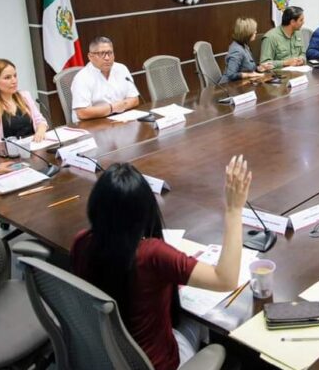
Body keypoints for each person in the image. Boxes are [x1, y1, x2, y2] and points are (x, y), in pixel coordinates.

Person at [72, 155, 251, 370]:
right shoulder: (151, 255)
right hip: (157, 364)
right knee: (204, 323)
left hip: (104, 357)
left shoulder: (82, 242)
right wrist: (234, 210)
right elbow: (226, 279)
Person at [0, 59, 47, 146]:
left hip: (33, 147)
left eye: (15, 75)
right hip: (4, 153)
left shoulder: (25, 96)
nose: (14, 81)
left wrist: (40, 131)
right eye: (7, 77)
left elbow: (40, 121)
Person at [71, 37, 140, 122]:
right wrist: (112, 108)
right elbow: (82, 112)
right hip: (92, 125)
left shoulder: (121, 69)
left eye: (110, 53)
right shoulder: (82, 77)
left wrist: (117, 108)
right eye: (102, 53)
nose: (107, 58)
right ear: (90, 56)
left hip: (119, 120)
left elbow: (135, 99)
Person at [222, 17, 273, 83]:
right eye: (254, 30)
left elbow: (246, 67)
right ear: (247, 33)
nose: (256, 32)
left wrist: (260, 68)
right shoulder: (237, 50)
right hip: (229, 87)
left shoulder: (244, 45)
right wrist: (250, 75)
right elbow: (231, 75)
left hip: (242, 84)